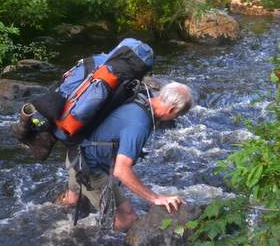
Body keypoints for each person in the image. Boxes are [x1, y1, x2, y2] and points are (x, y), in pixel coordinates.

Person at [57, 82, 194, 232]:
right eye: (177, 115)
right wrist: (156, 198)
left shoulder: (138, 98)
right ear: (172, 109)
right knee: (127, 218)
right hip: (89, 169)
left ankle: (55, 214)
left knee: (73, 201)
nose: (174, 118)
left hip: (75, 154)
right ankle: (84, 241)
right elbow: (121, 171)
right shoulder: (140, 124)